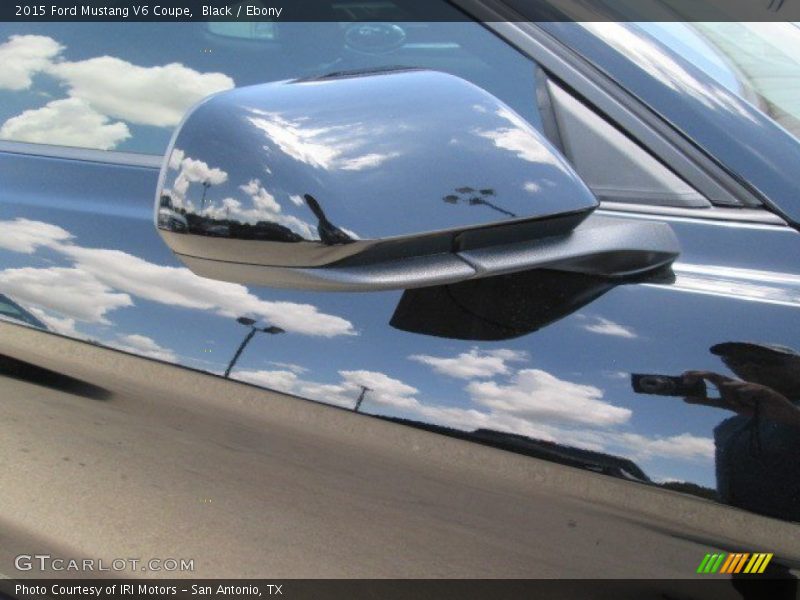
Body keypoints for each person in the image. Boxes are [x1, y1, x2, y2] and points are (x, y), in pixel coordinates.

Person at [682, 342, 800, 522]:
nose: (749, 368)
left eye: (765, 360)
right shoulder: (731, 424)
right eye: (734, 361)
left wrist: (792, 416)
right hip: (729, 530)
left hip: (785, 541)